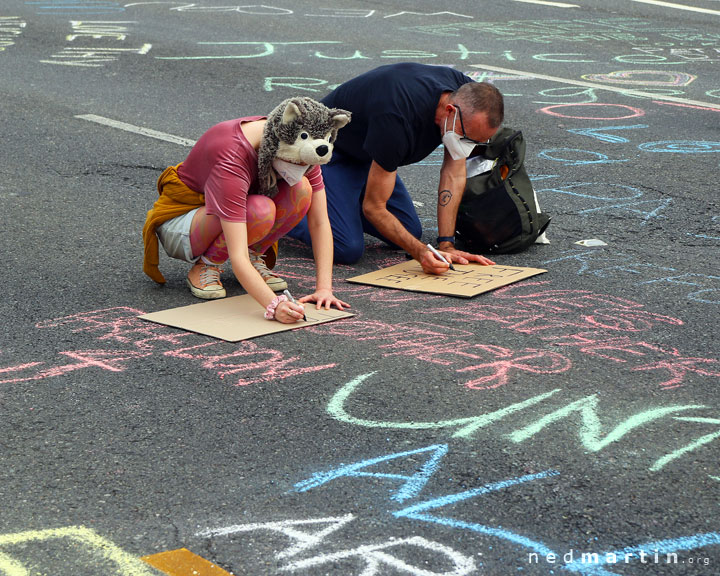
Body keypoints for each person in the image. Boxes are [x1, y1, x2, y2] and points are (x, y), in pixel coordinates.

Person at [142, 101, 350, 324]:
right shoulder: (233, 155)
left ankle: (255, 257)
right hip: (183, 225)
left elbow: (319, 222)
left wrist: (324, 289)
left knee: (301, 189)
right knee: (259, 209)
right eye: (295, 164)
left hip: (234, 212)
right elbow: (238, 255)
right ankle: (207, 264)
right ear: (275, 145)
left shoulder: (301, 144)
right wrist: (274, 305)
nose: (300, 169)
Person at [288, 62, 505, 275]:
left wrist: (446, 245)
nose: (469, 146)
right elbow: (374, 208)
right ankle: (289, 212)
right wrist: (421, 253)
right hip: (327, 151)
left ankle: (339, 205)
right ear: (450, 111)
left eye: (476, 142)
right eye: (467, 139)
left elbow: (453, 174)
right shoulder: (396, 118)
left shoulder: (466, 95)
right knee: (346, 246)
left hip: (366, 152)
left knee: (408, 230)